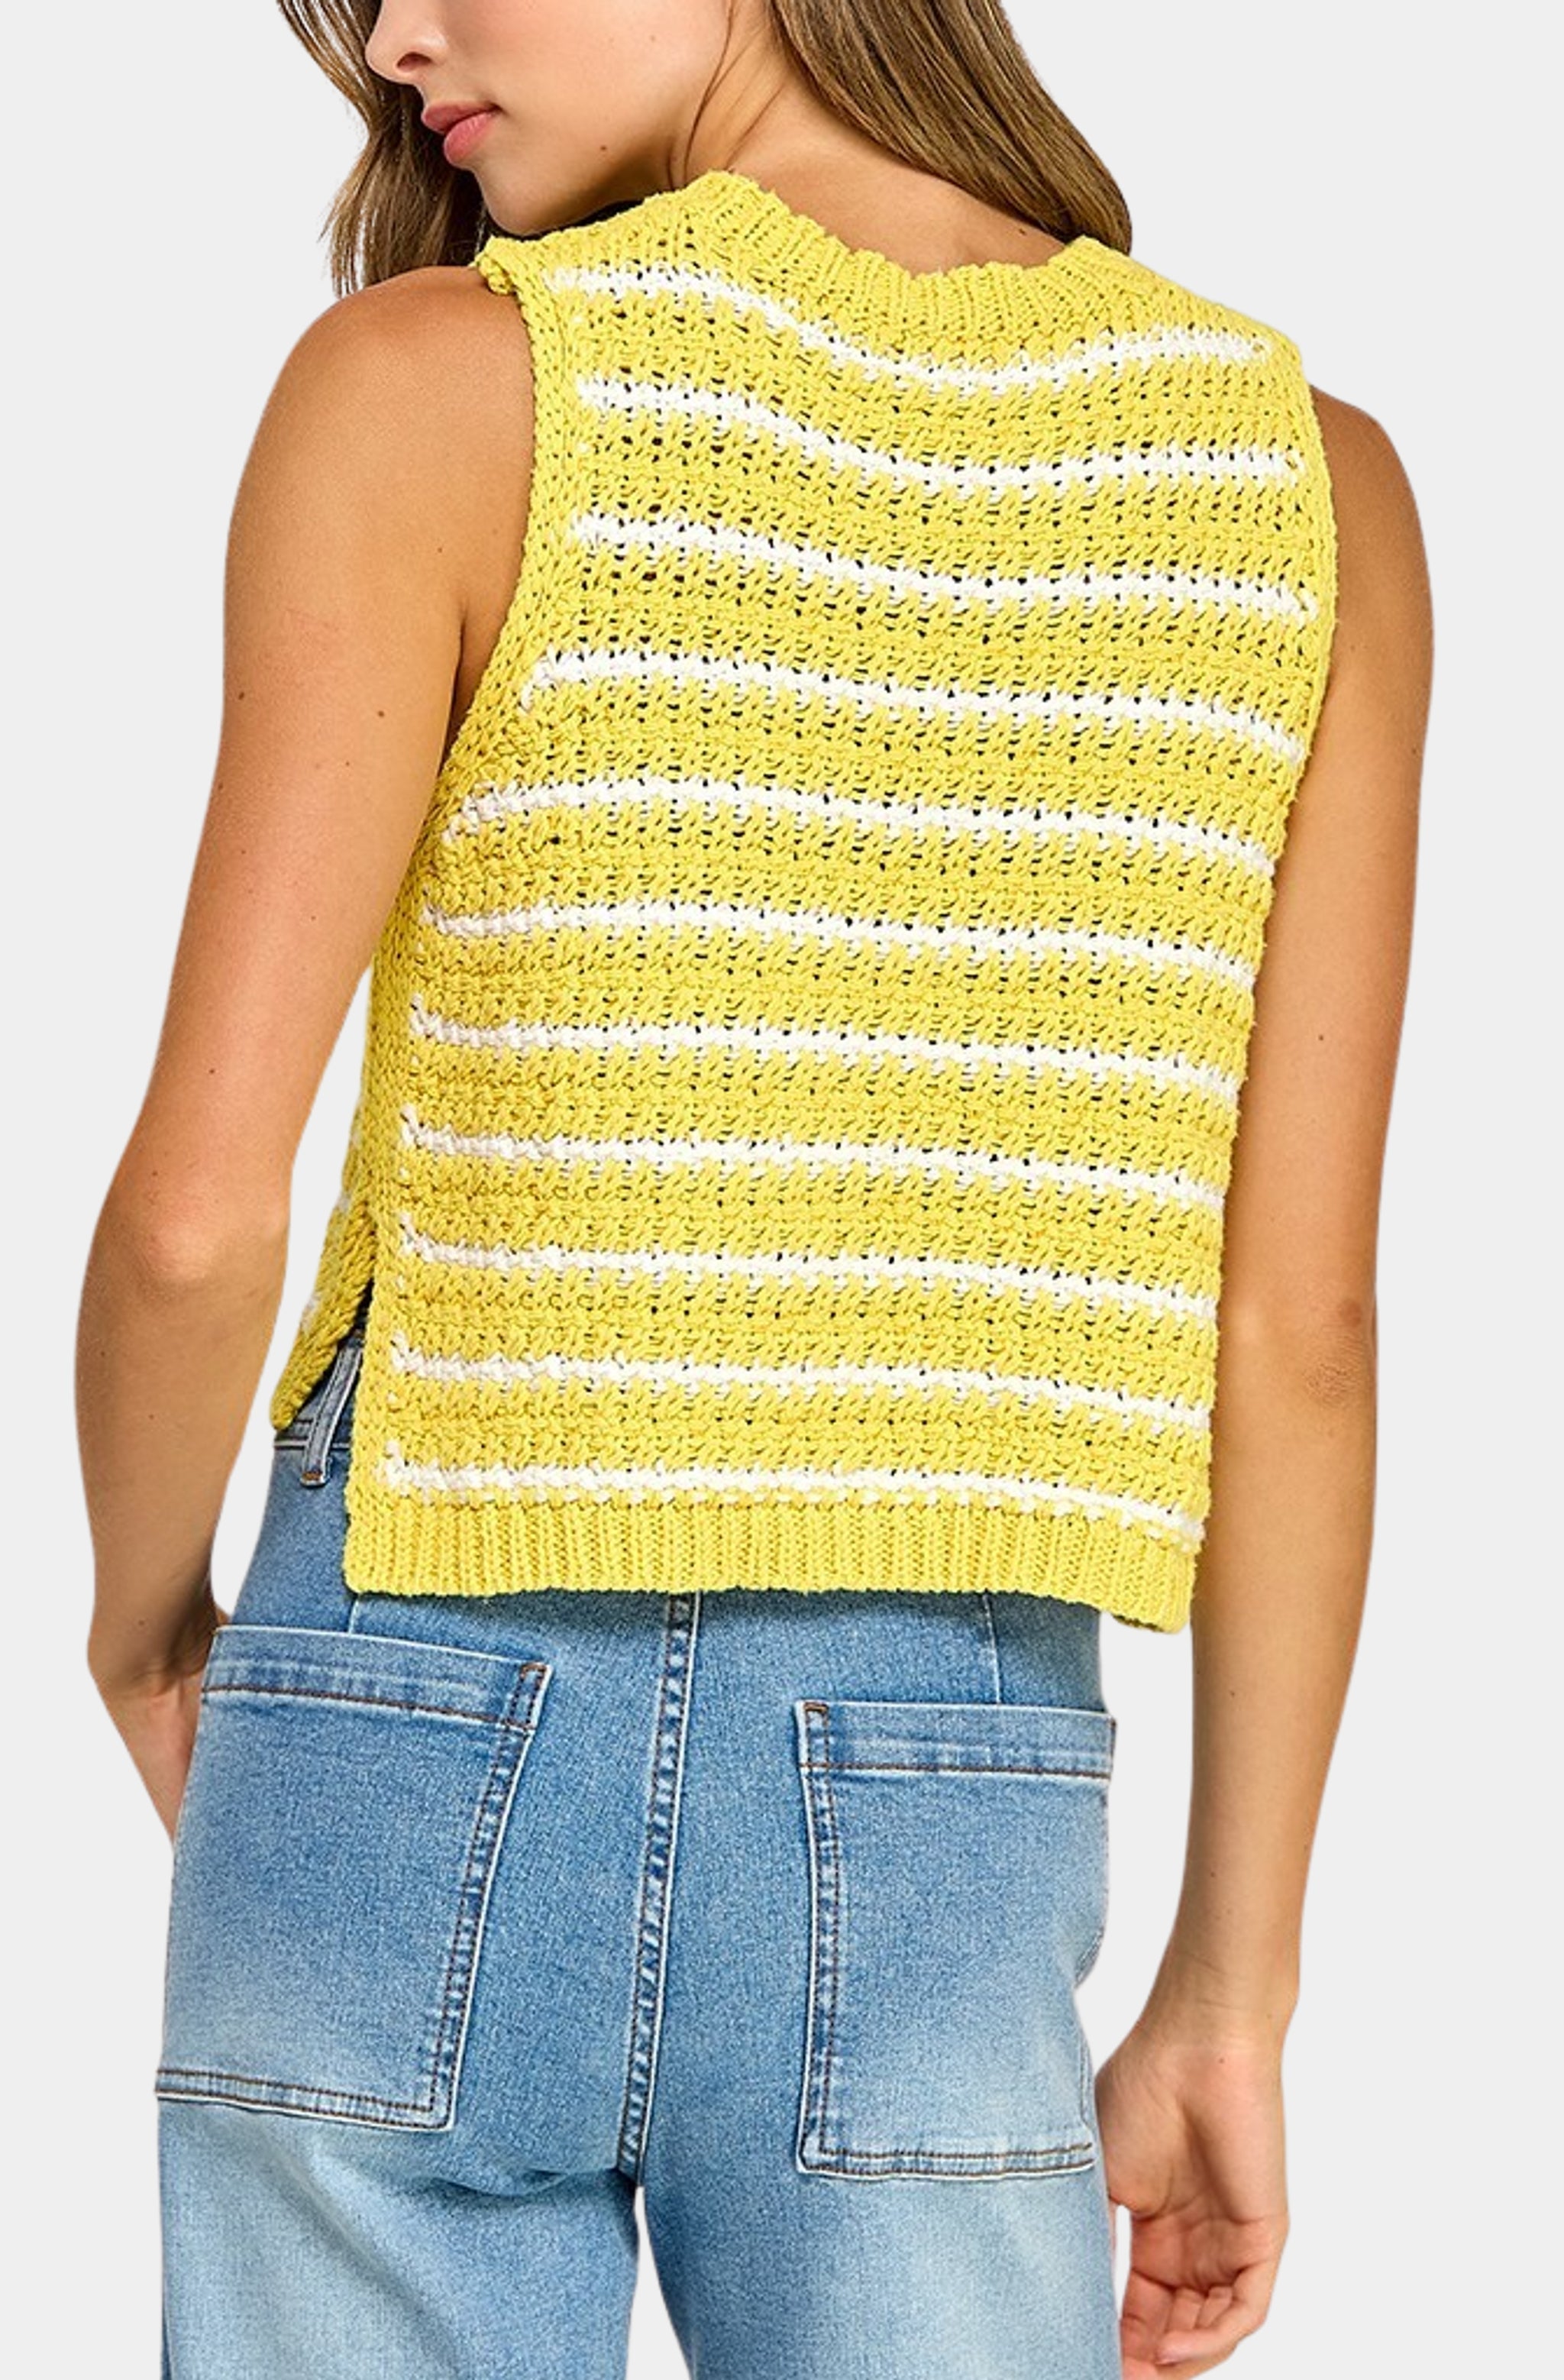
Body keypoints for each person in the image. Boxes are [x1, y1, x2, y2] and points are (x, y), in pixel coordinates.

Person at [75, 3, 1430, 2375]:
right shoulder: (1307, 491)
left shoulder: (437, 391)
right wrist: (1231, 1988)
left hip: (405, 1681)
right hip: (941, 1789)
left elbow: (200, 1212)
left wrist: (142, 1628)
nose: (396, 41)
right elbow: (1289, 1332)